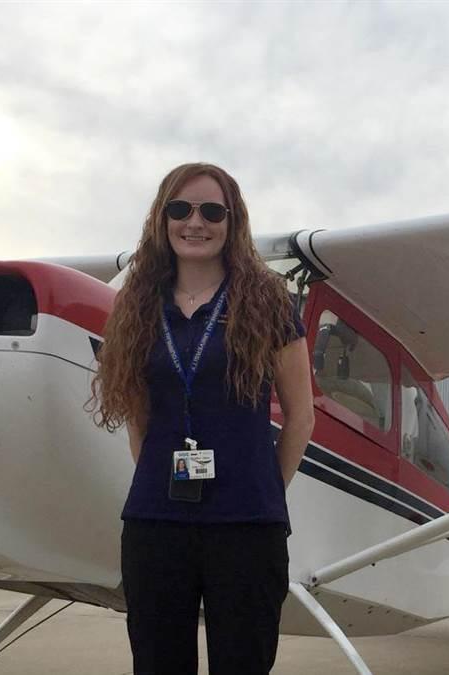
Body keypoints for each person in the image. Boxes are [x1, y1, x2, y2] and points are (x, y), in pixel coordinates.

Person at [91, 163, 315, 674]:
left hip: (246, 524)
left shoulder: (269, 303)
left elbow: (301, 417)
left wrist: (263, 489)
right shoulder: (137, 307)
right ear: (162, 218)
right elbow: (139, 419)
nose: (195, 222)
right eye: (181, 209)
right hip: (156, 523)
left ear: (233, 222)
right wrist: (161, 483)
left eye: (212, 212)